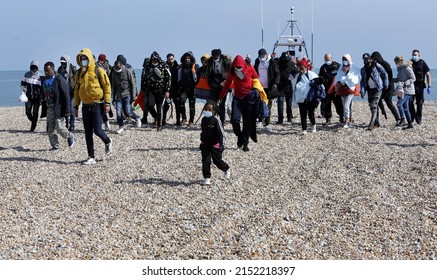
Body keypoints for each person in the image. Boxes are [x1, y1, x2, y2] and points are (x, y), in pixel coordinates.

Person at [74, 48, 113, 165]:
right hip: (85, 106)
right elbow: (76, 91)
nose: (83, 60)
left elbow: (107, 87)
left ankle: (107, 141)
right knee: (87, 132)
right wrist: (76, 107)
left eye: (85, 58)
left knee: (97, 130)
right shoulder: (78, 73)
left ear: (90, 58)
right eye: (81, 58)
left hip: (98, 104)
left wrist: (107, 103)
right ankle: (91, 156)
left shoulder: (99, 71)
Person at [218, 55, 259, 152]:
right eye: (236, 67)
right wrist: (221, 97)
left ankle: (245, 143)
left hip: (249, 99)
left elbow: (256, 79)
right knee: (234, 120)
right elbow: (227, 84)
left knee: (247, 122)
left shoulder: (250, 68)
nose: (238, 69)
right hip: (237, 99)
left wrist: (256, 91)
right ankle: (240, 136)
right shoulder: (232, 71)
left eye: (240, 67)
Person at [42, 61, 74, 150]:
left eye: (48, 71)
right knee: (50, 127)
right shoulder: (44, 80)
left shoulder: (59, 79)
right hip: (49, 107)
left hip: (59, 107)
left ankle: (70, 135)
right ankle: (55, 145)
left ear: (53, 69)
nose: (46, 72)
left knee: (59, 126)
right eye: (45, 71)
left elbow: (66, 94)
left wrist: (68, 110)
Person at [199, 101, 230, 185]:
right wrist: (202, 140)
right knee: (206, 161)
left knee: (217, 161)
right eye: (206, 109)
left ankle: (226, 168)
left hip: (215, 145)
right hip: (205, 144)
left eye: (210, 110)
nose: (207, 111)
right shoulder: (203, 119)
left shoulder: (216, 120)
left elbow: (221, 133)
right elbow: (203, 131)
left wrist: (222, 145)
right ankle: (207, 178)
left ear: (214, 111)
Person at [110, 59, 141, 134]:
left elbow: (133, 84)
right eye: (116, 68)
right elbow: (113, 86)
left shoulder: (127, 71)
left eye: (118, 68)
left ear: (121, 65)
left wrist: (134, 95)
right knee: (118, 111)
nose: (117, 70)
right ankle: (121, 126)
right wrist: (113, 97)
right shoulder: (114, 73)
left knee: (128, 111)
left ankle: (137, 118)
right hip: (119, 96)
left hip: (127, 95)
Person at [142, 51, 171, 131]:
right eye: (153, 60)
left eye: (156, 60)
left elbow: (168, 78)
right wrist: (143, 89)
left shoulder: (164, 65)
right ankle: (156, 117)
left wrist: (167, 90)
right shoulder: (147, 66)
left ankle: (159, 125)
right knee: (149, 105)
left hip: (161, 89)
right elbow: (144, 78)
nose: (154, 61)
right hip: (151, 89)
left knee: (159, 107)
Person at [371, 51, 401, 125]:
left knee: (389, 103)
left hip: (388, 88)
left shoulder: (385, 64)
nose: (373, 60)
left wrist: (387, 85)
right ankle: (376, 121)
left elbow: (390, 76)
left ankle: (398, 118)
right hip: (380, 87)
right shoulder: (374, 65)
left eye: (374, 58)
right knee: (377, 103)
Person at [360, 53, 389, 130]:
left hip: (378, 88)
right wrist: (362, 91)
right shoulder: (363, 70)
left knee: (374, 105)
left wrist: (386, 84)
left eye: (367, 59)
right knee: (371, 105)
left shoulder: (376, 66)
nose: (366, 61)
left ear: (370, 59)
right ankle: (376, 122)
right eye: (364, 59)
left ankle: (372, 123)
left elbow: (384, 74)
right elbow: (362, 81)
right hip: (369, 89)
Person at [292, 58, 320, 134]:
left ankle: (314, 125)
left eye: (302, 67)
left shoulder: (311, 74)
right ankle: (304, 129)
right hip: (301, 98)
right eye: (300, 68)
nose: (301, 69)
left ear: (306, 67)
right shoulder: (297, 76)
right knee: (303, 114)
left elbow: (319, 83)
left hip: (310, 98)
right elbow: (293, 85)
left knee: (311, 113)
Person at [254, 48, 280, 132]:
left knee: (268, 105)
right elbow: (254, 72)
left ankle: (267, 124)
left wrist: (275, 83)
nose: (262, 57)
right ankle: (260, 120)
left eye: (263, 56)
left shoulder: (272, 62)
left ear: (266, 54)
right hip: (260, 86)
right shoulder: (257, 61)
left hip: (270, 87)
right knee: (259, 104)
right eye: (260, 56)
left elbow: (277, 74)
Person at [335, 54, 361, 129]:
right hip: (343, 90)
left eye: (345, 59)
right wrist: (339, 83)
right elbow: (338, 77)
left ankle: (346, 120)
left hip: (350, 89)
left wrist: (346, 75)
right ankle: (349, 118)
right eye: (343, 59)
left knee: (346, 105)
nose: (344, 61)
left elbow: (355, 78)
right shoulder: (341, 68)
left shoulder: (353, 68)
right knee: (344, 105)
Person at [207, 48, 231, 124]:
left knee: (222, 105)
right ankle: (212, 120)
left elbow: (230, 73)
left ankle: (222, 121)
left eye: (217, 56)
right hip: (213, 86)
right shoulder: (210, 61)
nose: (215, 58)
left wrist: (225, 81)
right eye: (214, 56)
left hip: (223, 86)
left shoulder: (226, 61)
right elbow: (208, 73)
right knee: (211, 103)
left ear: (220, 55)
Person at [318, 53, 343, 124]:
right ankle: (328, 119)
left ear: (332, 58)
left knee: (338, 103)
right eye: (326, 60)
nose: (327, 61)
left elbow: (342, 75)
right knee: (327, 104)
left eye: (328, 60)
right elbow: (320, 77)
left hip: (336, 89)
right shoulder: (323, 67)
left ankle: (341, 117)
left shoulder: (337, 66)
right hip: (327, 89)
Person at [393, 56, 416, 130]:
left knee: (399, 104)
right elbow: (398, 79)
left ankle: (402, 120)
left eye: (396, 62)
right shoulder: (399, 69)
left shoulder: (407, 68)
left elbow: (413, 78)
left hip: (408, 90)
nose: (396, 64)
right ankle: (410, 124)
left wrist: (406, 83)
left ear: (400, 61)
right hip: (401, 90)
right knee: (406, 108)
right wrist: (390, 80)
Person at [410, 49, 431, 125]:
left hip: (420, 86)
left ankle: (419, 118)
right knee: (410, 102)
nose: (414, 56)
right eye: (413, 55)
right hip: (411, 86)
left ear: (419, 55)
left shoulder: (422, 63)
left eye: (415, 55)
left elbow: (428, 75)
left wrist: (429, 86)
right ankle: (412, 116)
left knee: (420, 103)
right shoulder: (409, 63)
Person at [178, 51, 199, 126]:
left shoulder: (196, 66)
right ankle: (184, 118)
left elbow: (198, 78)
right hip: (184, 89)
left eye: (189, 58)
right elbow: (179, 78)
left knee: (192, 106)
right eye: (186, 58)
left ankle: (191, 120)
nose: (187, 59)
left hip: (193, 89)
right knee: (181, 103)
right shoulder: (181, 66)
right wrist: (180, 88)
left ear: (191, 58)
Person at [21, 60, 43, 132]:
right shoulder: (26, 74)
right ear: (30, 67)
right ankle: (33, 120)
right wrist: (23, 91)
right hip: (28, 97)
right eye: (32, 67)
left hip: (37, 98)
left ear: (37, 67)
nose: (34, 69)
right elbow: (23, 84)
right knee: (27, 111)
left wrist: (41, 97)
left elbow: (42, 88)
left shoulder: (40, 76)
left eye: (35, 67)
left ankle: (33, 126)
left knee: (35, 112)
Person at [57, 55, 77, 131]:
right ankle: (66, 122)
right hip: (63, 91)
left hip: (71, 91)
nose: (63, 64)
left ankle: (72, 124)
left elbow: (77, 78)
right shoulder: (60, 69)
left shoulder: (73, 68)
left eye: (64, 63)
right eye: (61, 63)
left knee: (71, 108)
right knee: (64, 107)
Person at [166, 53, 180, 125]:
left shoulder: (178, 67)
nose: (170, 60)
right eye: (169, 59)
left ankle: (178, 121)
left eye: (171, 59)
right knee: (165, 105)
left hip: (176, 90)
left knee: (177, 106)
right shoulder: (165, 67)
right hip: (167, 90)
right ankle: (163, 120)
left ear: (174, 59)